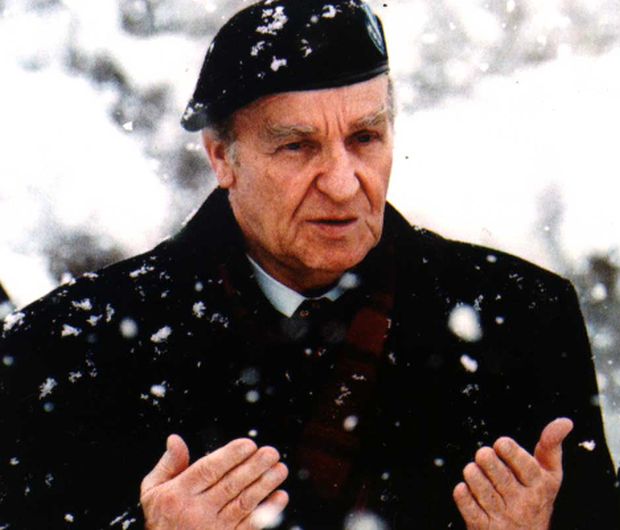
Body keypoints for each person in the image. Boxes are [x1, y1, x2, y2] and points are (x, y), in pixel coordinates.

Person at [0, 1, 618, 529]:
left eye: (365, 138)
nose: (344, 184)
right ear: (222, 158)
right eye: (298, 146)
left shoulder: (524, 318)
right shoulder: (69, 345)